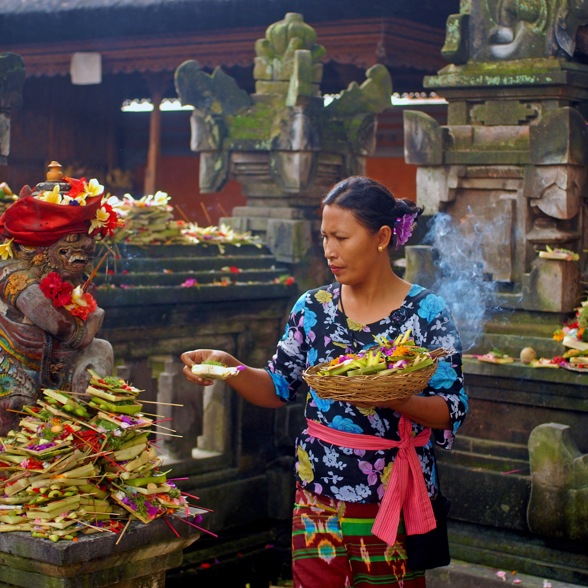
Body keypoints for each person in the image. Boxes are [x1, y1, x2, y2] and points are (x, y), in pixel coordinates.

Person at [181, 175, 468, 588]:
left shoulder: (426, 312)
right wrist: (230, 367)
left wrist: (394, 397)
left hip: (391, 495)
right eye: (324, 237)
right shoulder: (312, 308)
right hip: (317, 494)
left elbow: (452, 408)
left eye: (342, 237)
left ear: (382, 237)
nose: (330, 251)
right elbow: (279, 385)